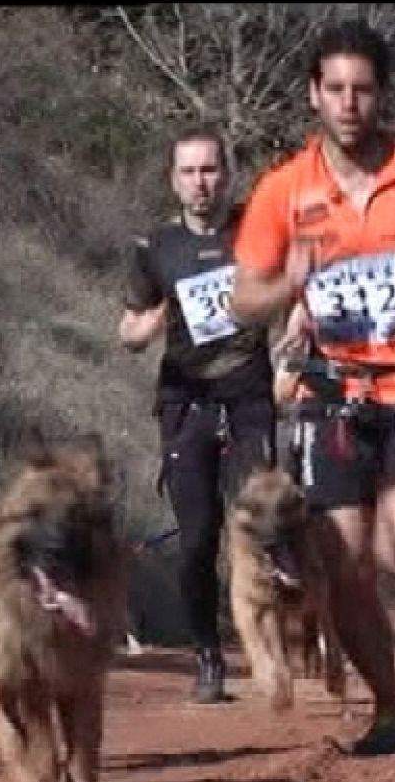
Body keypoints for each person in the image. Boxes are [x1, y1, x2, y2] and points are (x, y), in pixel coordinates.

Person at [227, 19, 395, 756]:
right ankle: (390, 707)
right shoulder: (283, 190)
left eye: (363, 90)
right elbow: (242, 299)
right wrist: (287, 282)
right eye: (336, 89)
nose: (349, 103)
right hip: (330, 386)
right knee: (342, 564)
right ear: (313, 94)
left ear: (383, 94)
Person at [118, 125, 277, 704]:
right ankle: (208, 655)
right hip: (186, 402)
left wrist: (293, 343)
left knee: (261, 522)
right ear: (173, 180)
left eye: (209, 169)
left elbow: (294, 289)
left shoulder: (256, 231)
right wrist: (147, 325)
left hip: (248, 395)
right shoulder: (156, 247)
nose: (200, 182)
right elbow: (129, 328)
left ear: (227, 175)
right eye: (188, 172)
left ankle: (268, 640)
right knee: (197, 539)